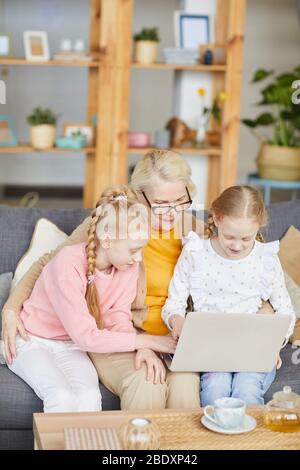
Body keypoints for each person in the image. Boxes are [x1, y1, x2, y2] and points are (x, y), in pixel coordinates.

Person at [4, 186, 176, 412]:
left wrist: (141, 348)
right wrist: (148, 341)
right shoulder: (68, 263)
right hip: (32, 340)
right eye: (133, 249)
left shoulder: (127, 266)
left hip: (70, 345)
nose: (138, 258)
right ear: (106, 241)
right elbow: (87, 336)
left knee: (90, 397)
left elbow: (118, 318)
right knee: (61, 395)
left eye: (142, 249)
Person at [162, 185, 296, 406]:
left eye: (246, 239)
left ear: (259, 226)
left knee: (247, 389)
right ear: (216, 218)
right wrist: (177, 322)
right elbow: (173, 305)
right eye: (229, 236)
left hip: (255, 350)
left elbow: (285, 311)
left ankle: (248, 441)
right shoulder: (196, 253)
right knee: (216, 389)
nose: (236, 246)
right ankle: (217, 441)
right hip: (212, 351)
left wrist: (273, 345)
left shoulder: (265, 258)